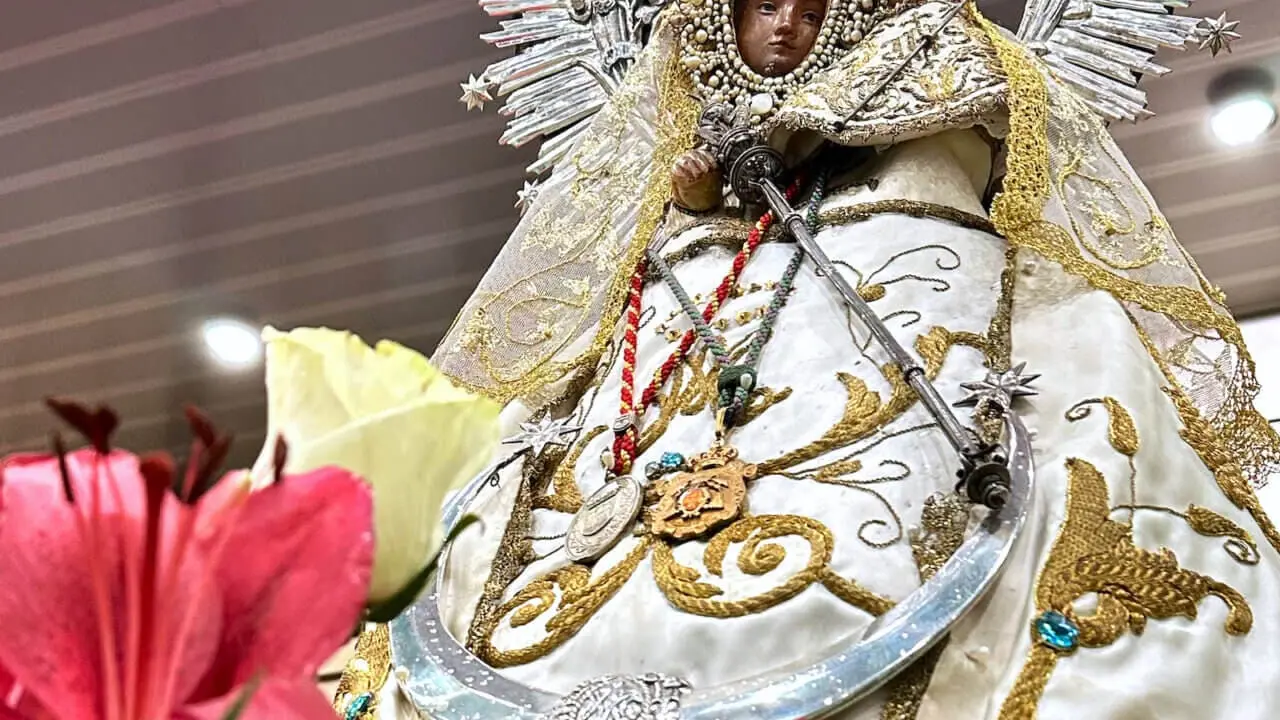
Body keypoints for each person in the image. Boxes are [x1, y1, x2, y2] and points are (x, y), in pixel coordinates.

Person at [349, 0, 1280, 717]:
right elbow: (664, 209)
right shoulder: (683, 89)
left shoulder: (924, 57)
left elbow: (973, 120)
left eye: (810, 9)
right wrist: (701, 191)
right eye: (765, 7)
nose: (787, 26)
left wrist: (832, 127)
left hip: (881, 270)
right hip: (698, 304)